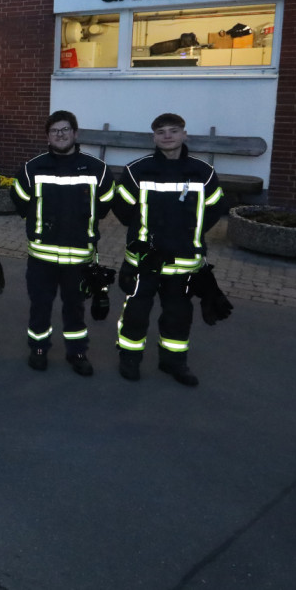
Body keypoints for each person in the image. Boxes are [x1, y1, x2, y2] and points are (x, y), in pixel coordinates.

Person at [111, 113, 226, 386]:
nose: (167, 136)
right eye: (161, 132)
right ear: (154, 137)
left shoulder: (203, 173)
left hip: (184, 262)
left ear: (184, 135)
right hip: (145, 260)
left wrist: (190, 235)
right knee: (136, 313)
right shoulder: (136, 170)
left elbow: (215, 210)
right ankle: (129, 359)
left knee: (179, 315)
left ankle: (174, 362)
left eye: (173, 131)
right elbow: (123, 210)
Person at [12, 110, 115, 376]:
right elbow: (19, 199)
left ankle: (77, 353)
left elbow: (105, 204)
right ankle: (38, 349)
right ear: (48, 136)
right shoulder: (32, 167)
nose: (60, 134)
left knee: (75, 309)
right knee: (40, 307)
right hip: (41, 257)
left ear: (75, 133)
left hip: (79, 258)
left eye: (65, 129)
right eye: (55, 131)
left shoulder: (97, 169)